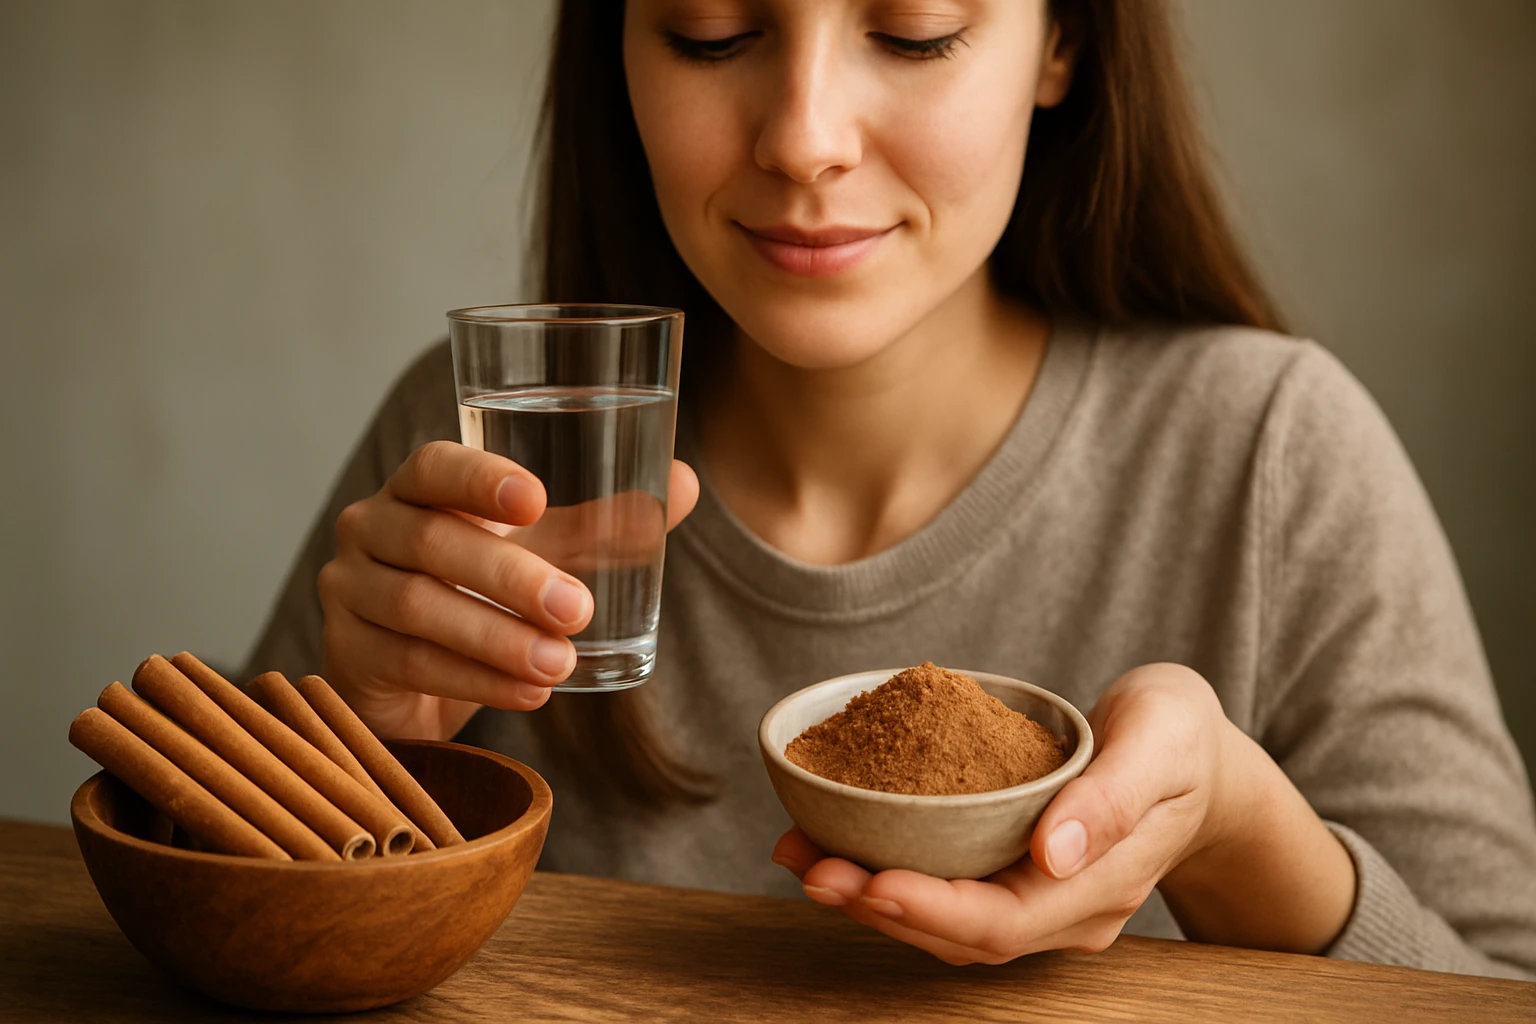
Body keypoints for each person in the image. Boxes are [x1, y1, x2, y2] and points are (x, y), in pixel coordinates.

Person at [248, 0, 1536, 976]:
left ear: (1061, 44)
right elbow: (214, 933)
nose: (804, 138)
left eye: (914, 33)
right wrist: (359, 742)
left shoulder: (1271, 453)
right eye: (712, 31)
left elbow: (1495, 987)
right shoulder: (486, 457)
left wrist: (1239, 831)